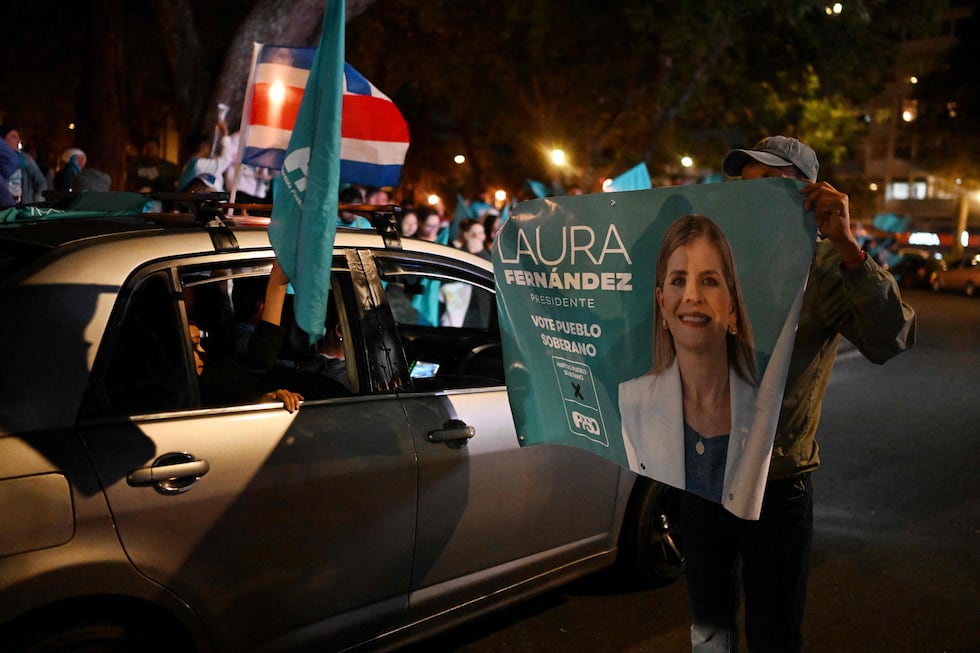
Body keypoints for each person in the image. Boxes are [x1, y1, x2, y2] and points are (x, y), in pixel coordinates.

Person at [676, 135, 916, 652]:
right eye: (744, 184)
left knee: (774, 633)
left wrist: (849, 248)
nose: (747, 196)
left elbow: (890, 339)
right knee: (708, 628)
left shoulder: (827, 266)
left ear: (806, 194)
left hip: (777, 484)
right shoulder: (708, 260)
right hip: (700, 475)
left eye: (767, 184)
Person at [619, 215, 757, 505]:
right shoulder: (631, 401)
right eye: (678, 281)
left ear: (732, 306)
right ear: (661, 302)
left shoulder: (763, 403)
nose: (692, 296)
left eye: (709, 281)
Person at [194, 260, 304, 413]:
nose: (202, 351)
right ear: (260, 305)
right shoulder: (220, 371)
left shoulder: (225, 335)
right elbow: (259, 359)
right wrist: (277, 284)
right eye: (193, 345)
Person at [177, 119, 234, 192]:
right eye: (208, 145)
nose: (210, 149)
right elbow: (226, 160)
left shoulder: (191, 164)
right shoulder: (199, 164)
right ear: (203, 147)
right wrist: (224, 134)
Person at [1, 126, 48, 204]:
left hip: (22, 205)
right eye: (14, 137)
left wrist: (37, 201)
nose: (18, 140)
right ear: (2, 139)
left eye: (18, 137)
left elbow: (41, 181)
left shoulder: (25, 158)